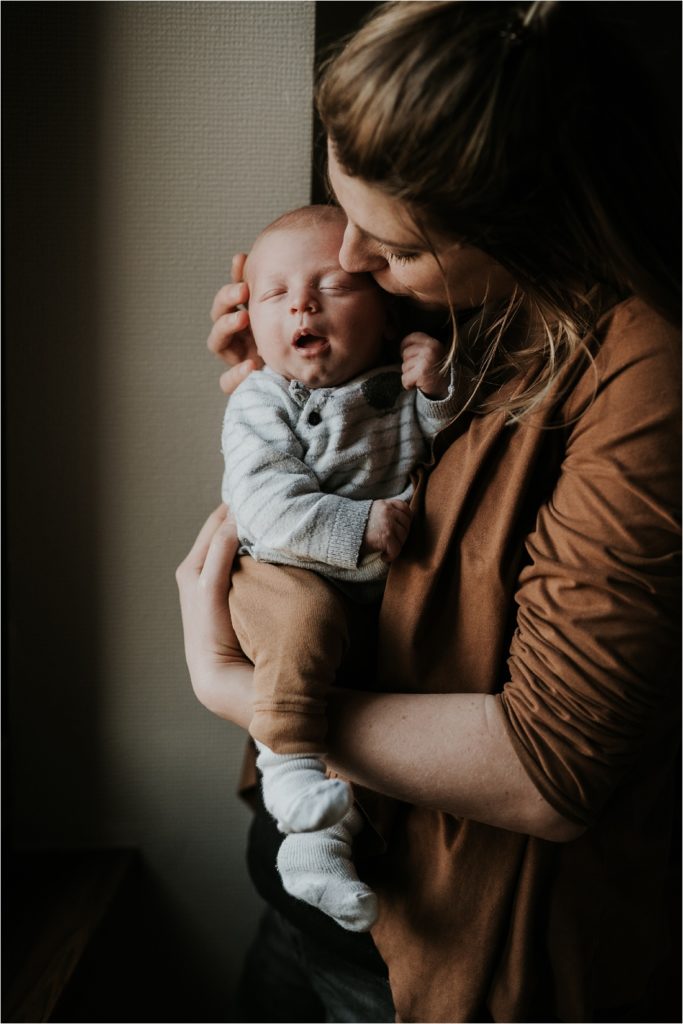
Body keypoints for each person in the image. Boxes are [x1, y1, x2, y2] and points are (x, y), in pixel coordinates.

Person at [177, 2, 681, 1021]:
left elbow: (549, 771)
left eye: (395, 247)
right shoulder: (454, 299)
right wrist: (289, 378)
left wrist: (242, 692)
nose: (352, 255)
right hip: (303, 883)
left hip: (431, 949)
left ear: (526, 228)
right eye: (342, 210)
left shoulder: (645, 384)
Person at [221, 203, 459, 934]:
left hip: (370, 596)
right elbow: (262, 504)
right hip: (282, 572)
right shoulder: (262, 399)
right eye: (276, 294)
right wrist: (358, 525)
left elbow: (448, 445)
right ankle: (288, 772)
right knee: (305, 625)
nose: (302, 304)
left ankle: (316, 854)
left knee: (364, 710)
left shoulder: (395, 383)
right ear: (251, 325)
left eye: (333, 285)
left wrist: (437, 388)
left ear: (386, 317)